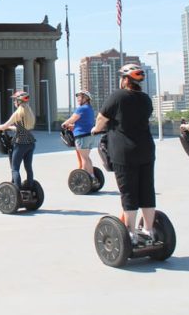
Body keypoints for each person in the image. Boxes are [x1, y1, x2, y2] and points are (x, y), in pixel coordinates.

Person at [91, 63, 157, 245]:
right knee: (146, 190)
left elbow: (101, 118)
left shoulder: (118, 96)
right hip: (146, 149)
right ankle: (149, 230)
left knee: (128, 192)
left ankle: (131, 233)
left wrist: (95, 129)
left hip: (124, 151)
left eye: (122, 77)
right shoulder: (145, 99)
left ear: (126, 79)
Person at [0, 90, 36, 189]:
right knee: (28, 168)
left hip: (20, 143)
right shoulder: (29, 112)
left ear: (19, 101)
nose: (14, 102)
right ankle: (30, 187)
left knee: (15, 168)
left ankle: (17, 189)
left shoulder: (18, 112)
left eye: (15, 100)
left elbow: (4, 126)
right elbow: (21, 128)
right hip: (30, 143)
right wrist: (10, 128)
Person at [61, 90, 100, 185]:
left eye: (80, 96)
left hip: (82, 137)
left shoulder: (81, 109)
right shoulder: (89, 109)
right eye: (77, 97)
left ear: (86, 98)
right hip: (89, 136)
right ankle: (86, 175)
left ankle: (92, 178)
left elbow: (72, 119)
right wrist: (73, 126)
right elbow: (84, 123)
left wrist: (64, 123)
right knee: (86, 158)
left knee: (84, 158)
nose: (78, 98)